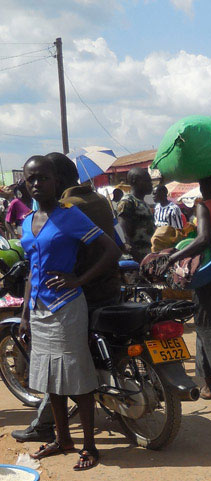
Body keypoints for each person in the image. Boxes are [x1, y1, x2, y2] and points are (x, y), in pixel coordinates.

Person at [12, 153, 121, 445]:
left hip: (67, 307)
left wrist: (79, 280)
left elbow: (112, 251)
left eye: (43, 177)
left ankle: (88, 445)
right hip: (38, 309)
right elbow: (31, 271)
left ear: (56, 181)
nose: (36, 183)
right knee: (51, 380)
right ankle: (63, 440)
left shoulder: (70, 214)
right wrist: (25, 315)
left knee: (77, 378)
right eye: (30, 178)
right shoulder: (27, 222)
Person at [168, 175, 211, 396]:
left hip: (210, 275)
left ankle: (208, 383)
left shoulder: (203, 207)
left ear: (203, 186)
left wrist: (173, 257)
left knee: (204, 327)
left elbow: (203, 239)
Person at [117, 168, 154, 262]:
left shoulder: (143, 203)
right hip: (137, 260)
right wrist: (139, 260)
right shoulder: (128, 201)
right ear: (135, 181)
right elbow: (124, 233)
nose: (151, 184)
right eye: (147, 180)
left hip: (148, 257)